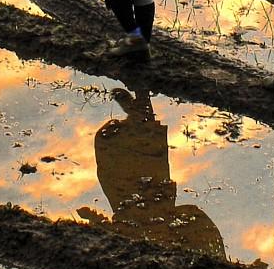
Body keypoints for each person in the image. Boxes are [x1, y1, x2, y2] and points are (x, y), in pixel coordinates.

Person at [78, 87, 224, 257]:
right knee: (148, 181)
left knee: (127, 169)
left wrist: (96, 223)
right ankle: (142, 111)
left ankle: (141, 114)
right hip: (149, 214)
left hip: (136, 212)